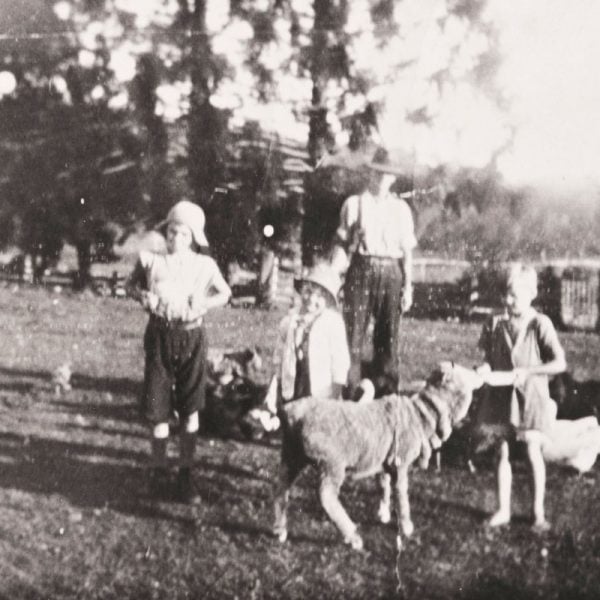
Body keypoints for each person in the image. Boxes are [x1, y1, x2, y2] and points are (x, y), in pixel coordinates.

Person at [127, 200, 231, 502]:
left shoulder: (204, 266)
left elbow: (225, 293)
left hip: (191, 338)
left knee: (190, 408)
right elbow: (129, 285)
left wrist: (204, 303)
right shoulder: (152, 261)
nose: (176, 240)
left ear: (195, 238)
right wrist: (143, 296)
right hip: (159, 336)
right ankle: (158, 471)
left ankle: (186, 477)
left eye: (183, 235)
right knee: (158, 408)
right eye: (172, 233)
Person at [475, 263, 566, 531]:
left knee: (531, 451)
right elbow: (489, 360)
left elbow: (559, 363)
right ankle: (503, 509)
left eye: (514, 295)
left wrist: (531, 371)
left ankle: (537, 512)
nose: (507, 300)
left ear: (532, 294)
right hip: (501, 396)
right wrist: (484, 369)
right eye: (505, 294)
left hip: (530, 399)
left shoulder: (540, 324)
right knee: (500, 451)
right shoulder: (494, 323)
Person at [332, 147, 417, 396]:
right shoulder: (355, 204)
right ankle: (349, 393)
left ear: (394, 178)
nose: (382, 179)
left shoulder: (401, 210)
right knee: (352, 336)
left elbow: (407, 252)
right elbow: (341, 245)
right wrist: (334, 280)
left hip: (392, 273)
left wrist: (408, 287)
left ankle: (386, 395)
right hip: (361, 269)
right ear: (370, 174)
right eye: (378, 173)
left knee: (388, 338)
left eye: (388, 175)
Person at [274, 262, 350, 403]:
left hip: (321, 390)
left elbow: (340, 361)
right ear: (301, 291)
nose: (312, 299)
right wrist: (277, 382)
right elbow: (279, 355)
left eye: (319, 296)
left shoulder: (333, 323)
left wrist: (336, 392)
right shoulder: (289, 321)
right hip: (294, 384)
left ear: (328, 300)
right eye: (308, 292)